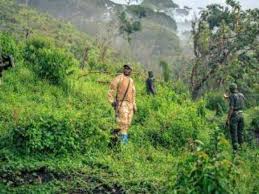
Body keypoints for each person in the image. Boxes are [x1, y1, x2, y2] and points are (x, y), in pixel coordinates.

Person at [108, 64, 137, 144]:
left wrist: (134, 105)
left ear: (131, 70)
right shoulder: (119, 78)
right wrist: (112, 101)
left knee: (127, 123)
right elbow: (111, 89)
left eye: (128, 69)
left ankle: (119, 139)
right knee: (122, 122)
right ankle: (122, 142)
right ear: (123, 69)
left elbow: (133, 94)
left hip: (130, 105)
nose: (127, 70)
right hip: (121, 103)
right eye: (125, 68)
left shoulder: (131, 81)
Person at [225, 83, 245, 151]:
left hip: (235, 116)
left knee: (234, 134)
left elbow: (231, 108)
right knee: (240, 133)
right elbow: (236, 97)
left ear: (230, 89)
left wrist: (227, 119)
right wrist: (228, 97)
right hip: (241, 115)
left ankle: (236, 151)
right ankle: (242, 149)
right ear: (236, 88)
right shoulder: (241, 95)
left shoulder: (232, 96)